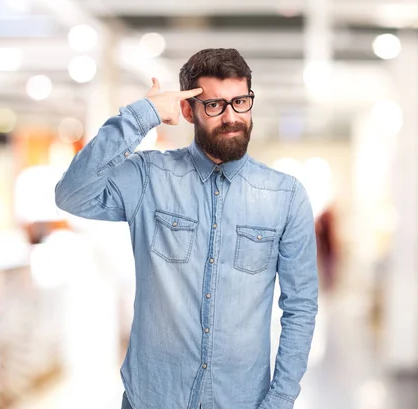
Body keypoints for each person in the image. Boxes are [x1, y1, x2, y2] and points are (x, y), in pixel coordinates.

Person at [54, 48, 318, 409]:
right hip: (153, 398)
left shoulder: (285, 196)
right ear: (187, 110)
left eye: (240, 101)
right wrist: (142, 115)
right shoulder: (149, 177)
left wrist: (280, 400)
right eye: (214, 105)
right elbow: (72, 194)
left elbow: (300, 306)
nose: (231, 117)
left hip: (241, 399)